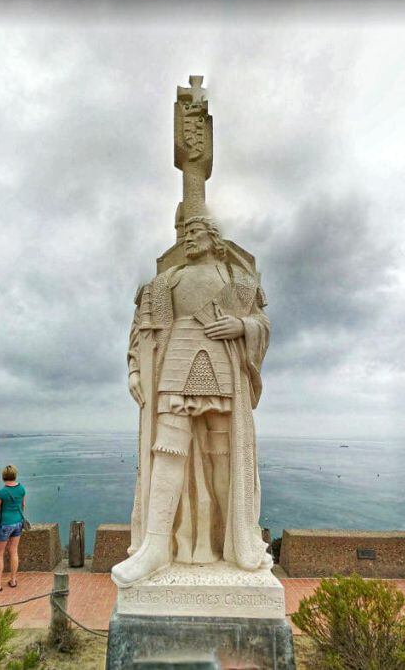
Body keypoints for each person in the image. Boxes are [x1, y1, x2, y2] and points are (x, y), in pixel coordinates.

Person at [113, 216, 272, 587]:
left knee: (224, 455)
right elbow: (141, 330)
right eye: (185, 234)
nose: (188, 239)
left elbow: (261, 322)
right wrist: (135, 370)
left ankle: (234, 539)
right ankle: (155, 547)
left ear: (214, 240)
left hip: (223, 366)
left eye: (195, 233)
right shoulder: (164, 282)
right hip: (176, 360)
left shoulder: (238, 283)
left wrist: (243, 327)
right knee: (167, 450)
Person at [0, 464, 26, 592]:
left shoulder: (1, 493)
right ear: (15, 475)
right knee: (13, 551)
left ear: (3, 477)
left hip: (5, 525)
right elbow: (23, 505)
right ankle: (13, 580)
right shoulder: (21, 489)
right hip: (18, 522)